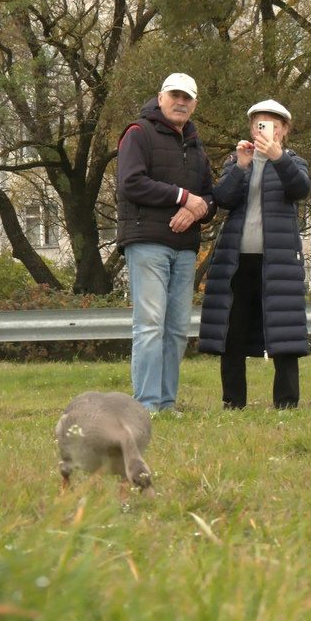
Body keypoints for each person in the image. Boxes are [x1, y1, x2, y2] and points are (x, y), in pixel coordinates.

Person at [198, 99, 311, 409]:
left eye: (274, 126)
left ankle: (287, 403)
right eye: (261, 124)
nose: (266, 131)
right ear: (252, 128)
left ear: (284, 131)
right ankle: (233, 402)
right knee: (232, 331)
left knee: (284, 331)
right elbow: (222, 198)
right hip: (237, 262)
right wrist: (241, 167)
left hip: (278, 261)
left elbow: (301, 189)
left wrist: (278, 159)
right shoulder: (237, 161)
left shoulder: (293, 161)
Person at [115, 73, 216, 412]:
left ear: (195, 104)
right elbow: (131, 182)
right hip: (147, 244)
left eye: (187, 97)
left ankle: (167, 404)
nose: (181, 102)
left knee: (175, 330)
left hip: (185, 248)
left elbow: (210, 198)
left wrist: (194, 211)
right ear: (161, 97)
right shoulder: (138, 133)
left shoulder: (196, 146)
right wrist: (183, 198)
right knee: (150, 325)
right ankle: (146, 406)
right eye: (175, 95)